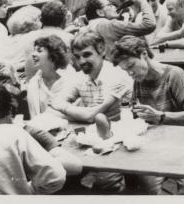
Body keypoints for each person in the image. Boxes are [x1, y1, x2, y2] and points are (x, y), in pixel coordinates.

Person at [111, 35, 184, 194]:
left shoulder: (174, 75)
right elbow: (136, 113)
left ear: (144, 54)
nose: (130, 73)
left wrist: (161, 117)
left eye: (131, 65)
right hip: (159, 143)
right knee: (145, 183)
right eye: (125, 70)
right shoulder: (139, 79)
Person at [49, 30, 133, 192]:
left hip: (121, 139)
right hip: (91, 138)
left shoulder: (116, 74)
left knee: (104, 184)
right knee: (57, 171)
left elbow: (91, 115)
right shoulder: (79, 77)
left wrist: (66, 108)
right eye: (77, 56)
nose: (82, 61)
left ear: (101, 50)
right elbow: (54, 105)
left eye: (87, 54)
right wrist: (70, 109)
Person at [0, 84, 67, 195]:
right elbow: (56, 176)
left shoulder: (24, 131)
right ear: (8, 111)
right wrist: (26, 191)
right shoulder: (13, 132)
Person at [84, 0, 156, 60]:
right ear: (100, 12)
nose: (114, 7)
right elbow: (149, 24)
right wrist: (142, 1)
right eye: (110, 5)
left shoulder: (87, 28)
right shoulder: (110, 25)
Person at [26, 34, 77, 118]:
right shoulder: (34, 82)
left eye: (39, 51)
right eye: (34, 50)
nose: (33, 54)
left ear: (53, 56)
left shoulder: (69, 79)